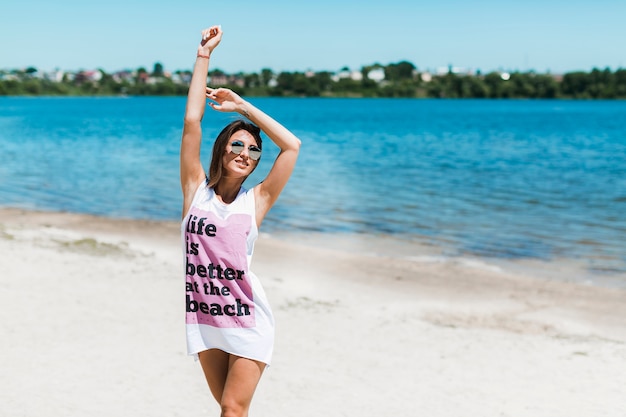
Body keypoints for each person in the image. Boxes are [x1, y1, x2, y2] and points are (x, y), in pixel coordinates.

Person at [180, 25, 301, 416]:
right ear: (222, 148)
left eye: (253, 150)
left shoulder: (257, 201)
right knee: (230, 411)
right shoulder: (195, 190)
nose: (245, 153)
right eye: (237, 143)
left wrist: (244, 107)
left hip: (247, 318)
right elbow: (192, 122)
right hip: (204, 315)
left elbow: (292, 145)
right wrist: (204, 56)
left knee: (232, 408)